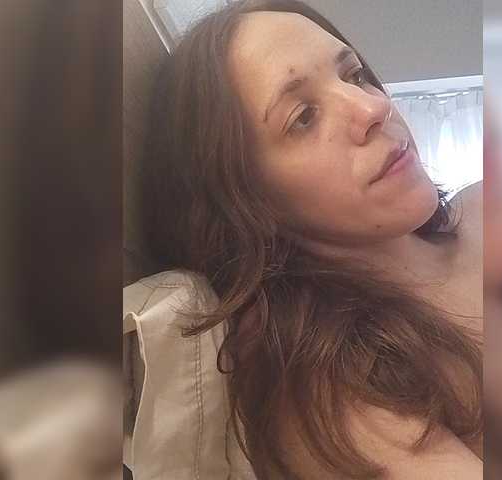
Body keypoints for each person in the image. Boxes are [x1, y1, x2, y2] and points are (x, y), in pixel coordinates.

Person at [142, 1, 482, 478]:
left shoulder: (488, 205)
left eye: (355, 75)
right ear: (245, 198)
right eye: (303, 117)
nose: (375, 106)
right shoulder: (324, 381)